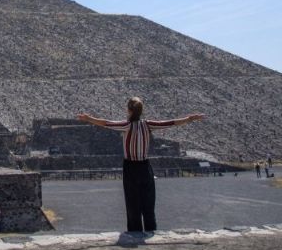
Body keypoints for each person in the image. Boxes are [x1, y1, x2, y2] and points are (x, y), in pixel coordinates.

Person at [77, 97, 204, 234]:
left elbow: (105, 123)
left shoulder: (127, 125)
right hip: (145, 166)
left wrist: (89, 118)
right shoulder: (147, 124)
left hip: (131, 166)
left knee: (133, 203)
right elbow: (170, 123)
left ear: (129, 110)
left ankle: (135, 232)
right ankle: (151, 230)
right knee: (148, 202)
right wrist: (190, 118)